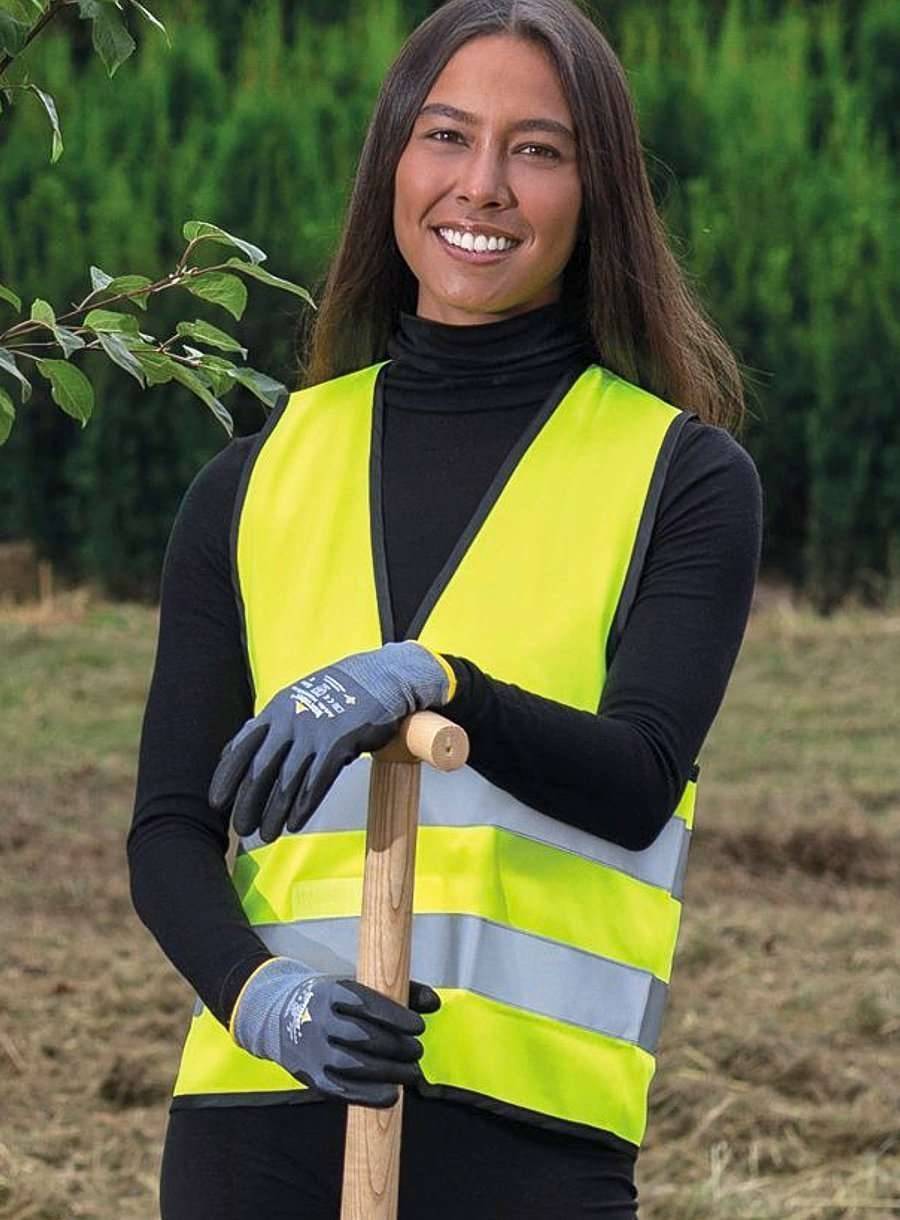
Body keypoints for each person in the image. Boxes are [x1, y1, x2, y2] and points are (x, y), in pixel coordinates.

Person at [128, 1, 763, 1216]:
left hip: (533, 1146)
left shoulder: (679, 477)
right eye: (447, 135)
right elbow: (168, 827)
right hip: (254, 1133)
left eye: (539, 149)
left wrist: (439, 677)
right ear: (393, 165)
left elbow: (637, 780)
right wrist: (265, 999)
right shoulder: (251, 480)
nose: (483, 186)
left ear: (598, 193)